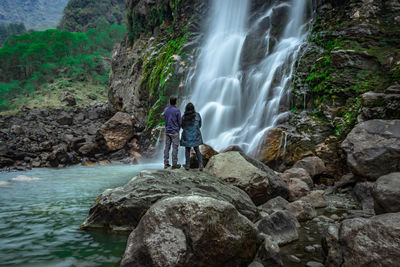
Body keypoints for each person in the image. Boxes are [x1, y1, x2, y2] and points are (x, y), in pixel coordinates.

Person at [180, 102, 203, 171]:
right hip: (196, 135)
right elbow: (200, 125)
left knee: (187, 150)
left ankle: (187, 165)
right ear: (193, 108)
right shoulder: (197, 115)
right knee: (197, 150)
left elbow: (182, 126)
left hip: (187, 135)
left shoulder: (184, 117)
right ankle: (201, 164)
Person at [163, 96, 181, 169]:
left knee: (167, 147)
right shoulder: (177, 110)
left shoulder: (166, 110)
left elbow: (165, 119)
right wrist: (178, 129)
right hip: (174, 131)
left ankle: (166, 163)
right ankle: (174, 164)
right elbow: (180, 122)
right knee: (175, 147)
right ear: (175, 102)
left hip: (167, 131)